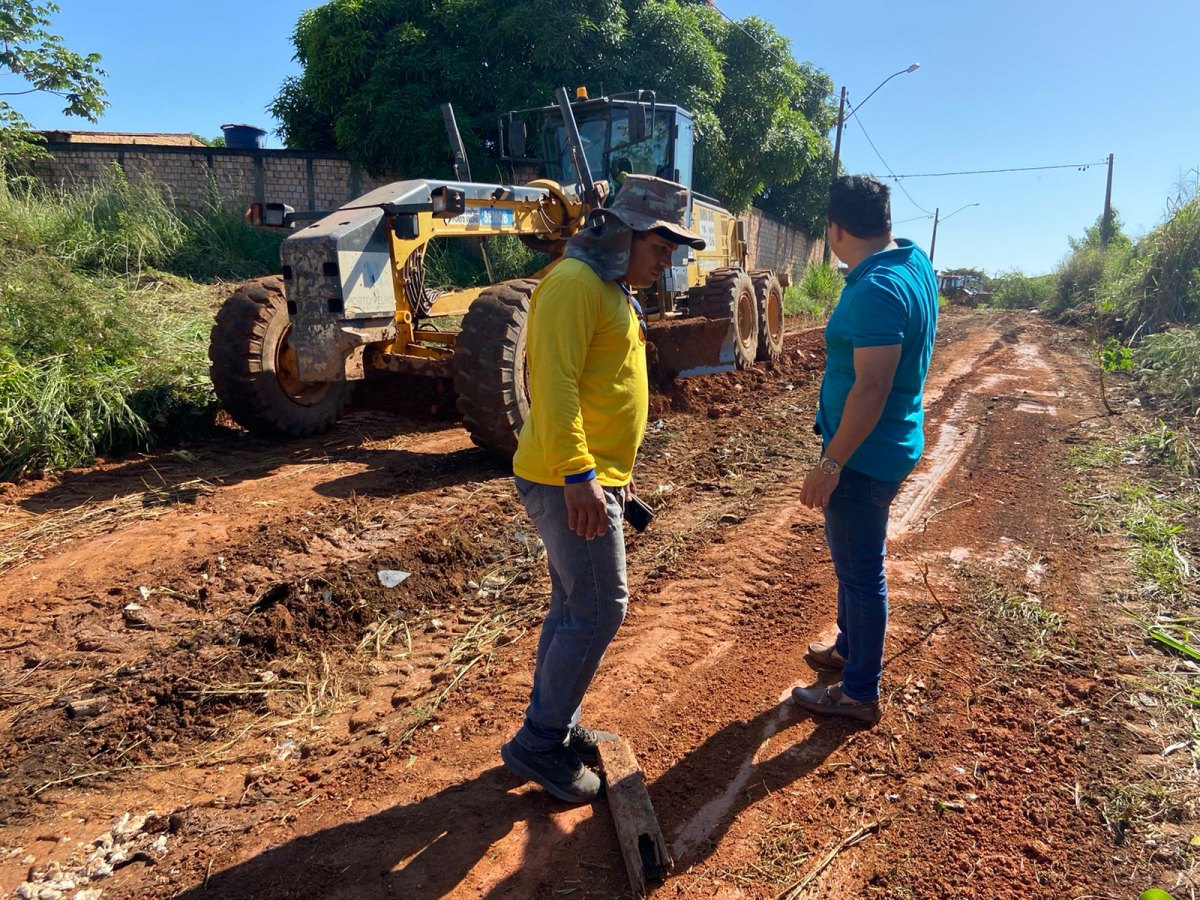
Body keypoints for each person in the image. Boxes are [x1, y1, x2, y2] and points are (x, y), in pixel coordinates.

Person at [502, 175, 706, 803]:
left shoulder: (611, 288)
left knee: (572, 607)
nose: (668, 258)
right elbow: (555, 385)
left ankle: (551, 727)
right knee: (600, 607)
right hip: (567, 479)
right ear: (623, 231)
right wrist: (581, 475)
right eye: (661, 244)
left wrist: (611, 472)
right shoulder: (571, 285)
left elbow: (603, 385)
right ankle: (540, 743)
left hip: (593, 476)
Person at [789, 174, 938, 726]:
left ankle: (858, 691)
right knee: (855, 562)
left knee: (861, 572)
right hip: (890, 443)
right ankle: (850, 648)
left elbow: (872, 387)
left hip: (863, 456)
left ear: (835, 229)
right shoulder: (912, 263)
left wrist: (831, 464)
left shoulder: (876, 289)